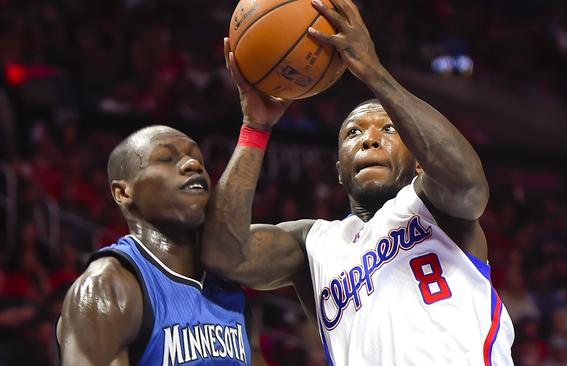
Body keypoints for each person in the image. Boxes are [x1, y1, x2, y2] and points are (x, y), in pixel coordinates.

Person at [203, 0, 515, 364]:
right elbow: (224, 256)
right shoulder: (313, 245)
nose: (369, 139)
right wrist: (255, 128)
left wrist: (373, 71)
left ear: (419, 162)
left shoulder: (437, 207)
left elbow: (468, 183)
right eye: (353, 132)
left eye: (388, 129)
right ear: (339, 169)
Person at [57, 126, 264, 366]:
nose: (192, 164)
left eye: (198, 159)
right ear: (123, 192)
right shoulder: (106, 288)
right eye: (166, 158)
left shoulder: (229, 288)